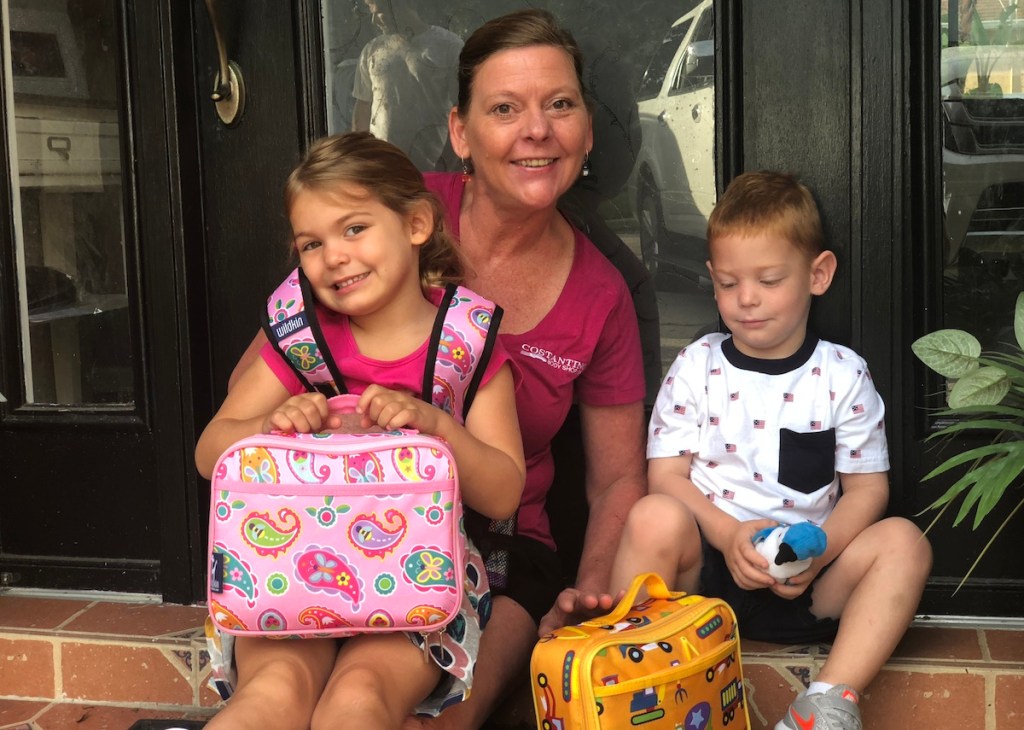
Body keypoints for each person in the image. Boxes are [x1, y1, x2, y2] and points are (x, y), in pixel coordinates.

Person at [227, 11, 649, 728]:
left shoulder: (607, 290)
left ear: (587, 129)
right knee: (280, 696)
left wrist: (583, 599)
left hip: (499, 546)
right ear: (461, 132)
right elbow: (250, 400)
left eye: (560, 105)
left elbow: (614, 479)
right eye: (505, 109)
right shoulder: (374, 218)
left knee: (425, 716)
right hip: (325, 520)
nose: (537, 130)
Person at [197, 132, 526, 730]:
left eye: (354, 229)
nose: (334, 256)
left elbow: (504, 493)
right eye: (312, 243)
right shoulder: (300, 342)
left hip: (415, 591)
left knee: (358, 700)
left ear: (416, 224)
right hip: (287, 573)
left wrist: (437, 427)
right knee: (271, 695)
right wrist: (269, 427)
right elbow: (209, 451)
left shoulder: (464, 349)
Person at [609, 170, 932, 730]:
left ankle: (826, 704)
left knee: (904, 543)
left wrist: (822, 551)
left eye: (768, 280)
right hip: (705, 582)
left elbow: (868, 490)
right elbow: (665, 478)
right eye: (729, 283)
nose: (747, 299)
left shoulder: (842, 376)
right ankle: (628, 681)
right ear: (711, 279)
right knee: (651, 516)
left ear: (818, 274)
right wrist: (728, 534)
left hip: (809, 583)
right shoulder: (697, 367)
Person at [352, 0, 463, 170]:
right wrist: (361, 159)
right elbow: (363, 108)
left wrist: (448, 160)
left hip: (433, 167)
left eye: (379, 12)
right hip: (383, 170)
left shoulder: (449, 47)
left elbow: (463, 109)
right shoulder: (372, 50)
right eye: (371, 12)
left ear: (400, 5)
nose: (374, 20)